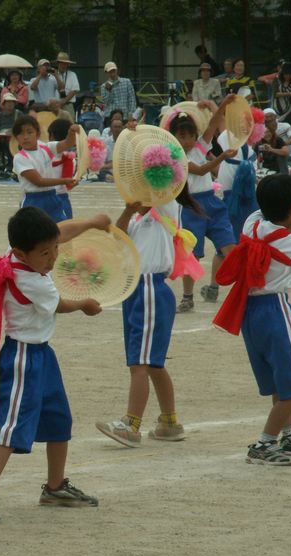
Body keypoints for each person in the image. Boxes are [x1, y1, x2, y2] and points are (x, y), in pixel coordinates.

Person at [0, 207, 107, 524]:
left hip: (42, 354)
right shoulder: (31, 280)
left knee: (59, 420)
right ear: (22, 253)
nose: (53, 257)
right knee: (12, 428)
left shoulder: (16, 257)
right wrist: (84, 304)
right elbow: (60, 304)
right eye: (45, 253)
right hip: (23, 358)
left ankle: (55, 486)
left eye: (53, 249)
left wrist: (90, 224)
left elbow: (58, 232)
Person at [96, 178, 204, 447]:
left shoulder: (165, 208)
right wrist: (128, 209)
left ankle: (131, 424)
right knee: (153, 363)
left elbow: (169, 180)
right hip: (137, 289)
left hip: (150, 288)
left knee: (140, 363)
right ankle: (169, 422)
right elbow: (117, 237)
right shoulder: (137, 217)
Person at [212, 175, 291, 465]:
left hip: (250, 312)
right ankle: (265, 443)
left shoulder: (252, 224)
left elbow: (265, 207)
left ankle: (290, 434)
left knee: (281, 380)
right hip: (275, 310)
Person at [165, 99, 238, 313]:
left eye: (190, 135)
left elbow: (215, 122)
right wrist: (222, 156)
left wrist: (223, 103)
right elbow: (201, 170)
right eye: (182, 136)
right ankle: (188, 297)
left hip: (212, 203)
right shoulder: (174, 156)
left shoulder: (200, 146)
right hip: (190, 207)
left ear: (195, 136)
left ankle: (244, 288)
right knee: (192, 255)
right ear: (174, 137)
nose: (187, 140)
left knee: (230, 248)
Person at [11, 115, 77, 222]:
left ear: (38, 134)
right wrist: (64, 181)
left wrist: (72, 132)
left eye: (29, 132)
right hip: (33, 200)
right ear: (16, 138)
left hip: (52, 196)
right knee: (35, 235)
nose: (25, 137)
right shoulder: (20, 158)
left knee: (61, 229)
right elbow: (39, 181)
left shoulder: (45, 147)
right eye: (20, 133)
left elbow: (68, 143)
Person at [0, 93, 25, 172]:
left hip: (15, 139)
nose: (10, 104)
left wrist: (15, 132)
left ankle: (11, 166)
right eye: (7, 102)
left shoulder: (19, 114)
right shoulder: (0, 115)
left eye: (11, 102)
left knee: (8, 145)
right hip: (1, 138)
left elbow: (25, 126)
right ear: (4, 104)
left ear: (14, 104)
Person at [53, 52, 81, 120]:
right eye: (61, 63)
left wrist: (63, 101)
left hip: (68, 105)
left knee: (70, 125)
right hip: (56, 106)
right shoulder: (52, 75)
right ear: (58, 64)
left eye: (65, 63)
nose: (63, 65)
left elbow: (74, 90)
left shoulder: (72, 74)